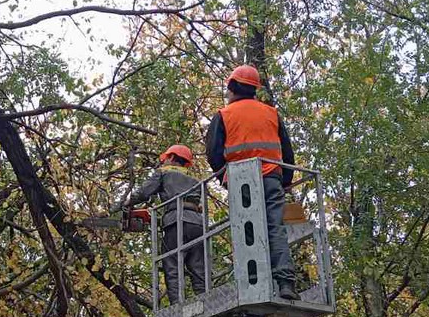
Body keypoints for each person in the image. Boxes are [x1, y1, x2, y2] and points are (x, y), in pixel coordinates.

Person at [204, 63, 298, 300]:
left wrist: (223, 178)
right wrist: (285, 180)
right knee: (275, 227)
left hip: (241, 181)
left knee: (247, 228)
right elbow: (287, 152)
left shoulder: (224, 115)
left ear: (233, 87)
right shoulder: (271, 113)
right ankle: (285, 283)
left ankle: (254, 283)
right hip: (272, 179)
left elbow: (213, 153)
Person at [115, 144, 207, 304]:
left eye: (165, 159)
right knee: (198, 267)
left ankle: (177, 307)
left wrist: (127, 204)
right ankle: (206, 302)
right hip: (198, 224)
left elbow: (144, 193)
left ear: (171, 157)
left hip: (176, 221)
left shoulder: (163, 173)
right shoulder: (195, 181)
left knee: (172, 265)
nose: (163, 162)